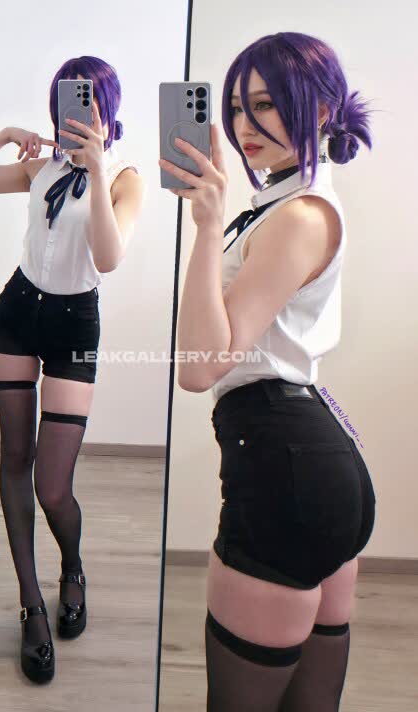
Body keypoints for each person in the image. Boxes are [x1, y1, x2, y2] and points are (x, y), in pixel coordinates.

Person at [159, 32, 377, 711]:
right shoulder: (285, 205)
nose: (244, 125)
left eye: (265, 104)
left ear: (320, 110)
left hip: (283, 466)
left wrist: (205, 229)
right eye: (234, 107)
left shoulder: (299, 216)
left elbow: (200, 367)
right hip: (312, 457)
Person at [0, 55, 144, 684]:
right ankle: (30, 603)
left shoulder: (125, 179)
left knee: (53, 486)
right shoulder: (39, 167)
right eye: (64, 103)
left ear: (108, 109)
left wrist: (98, 166)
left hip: (75, 324)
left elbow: (107, 258)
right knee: (15, 460)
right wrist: (6, 134)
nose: (72, 115)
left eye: (86, 103)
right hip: (18, 312)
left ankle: (72, 567)